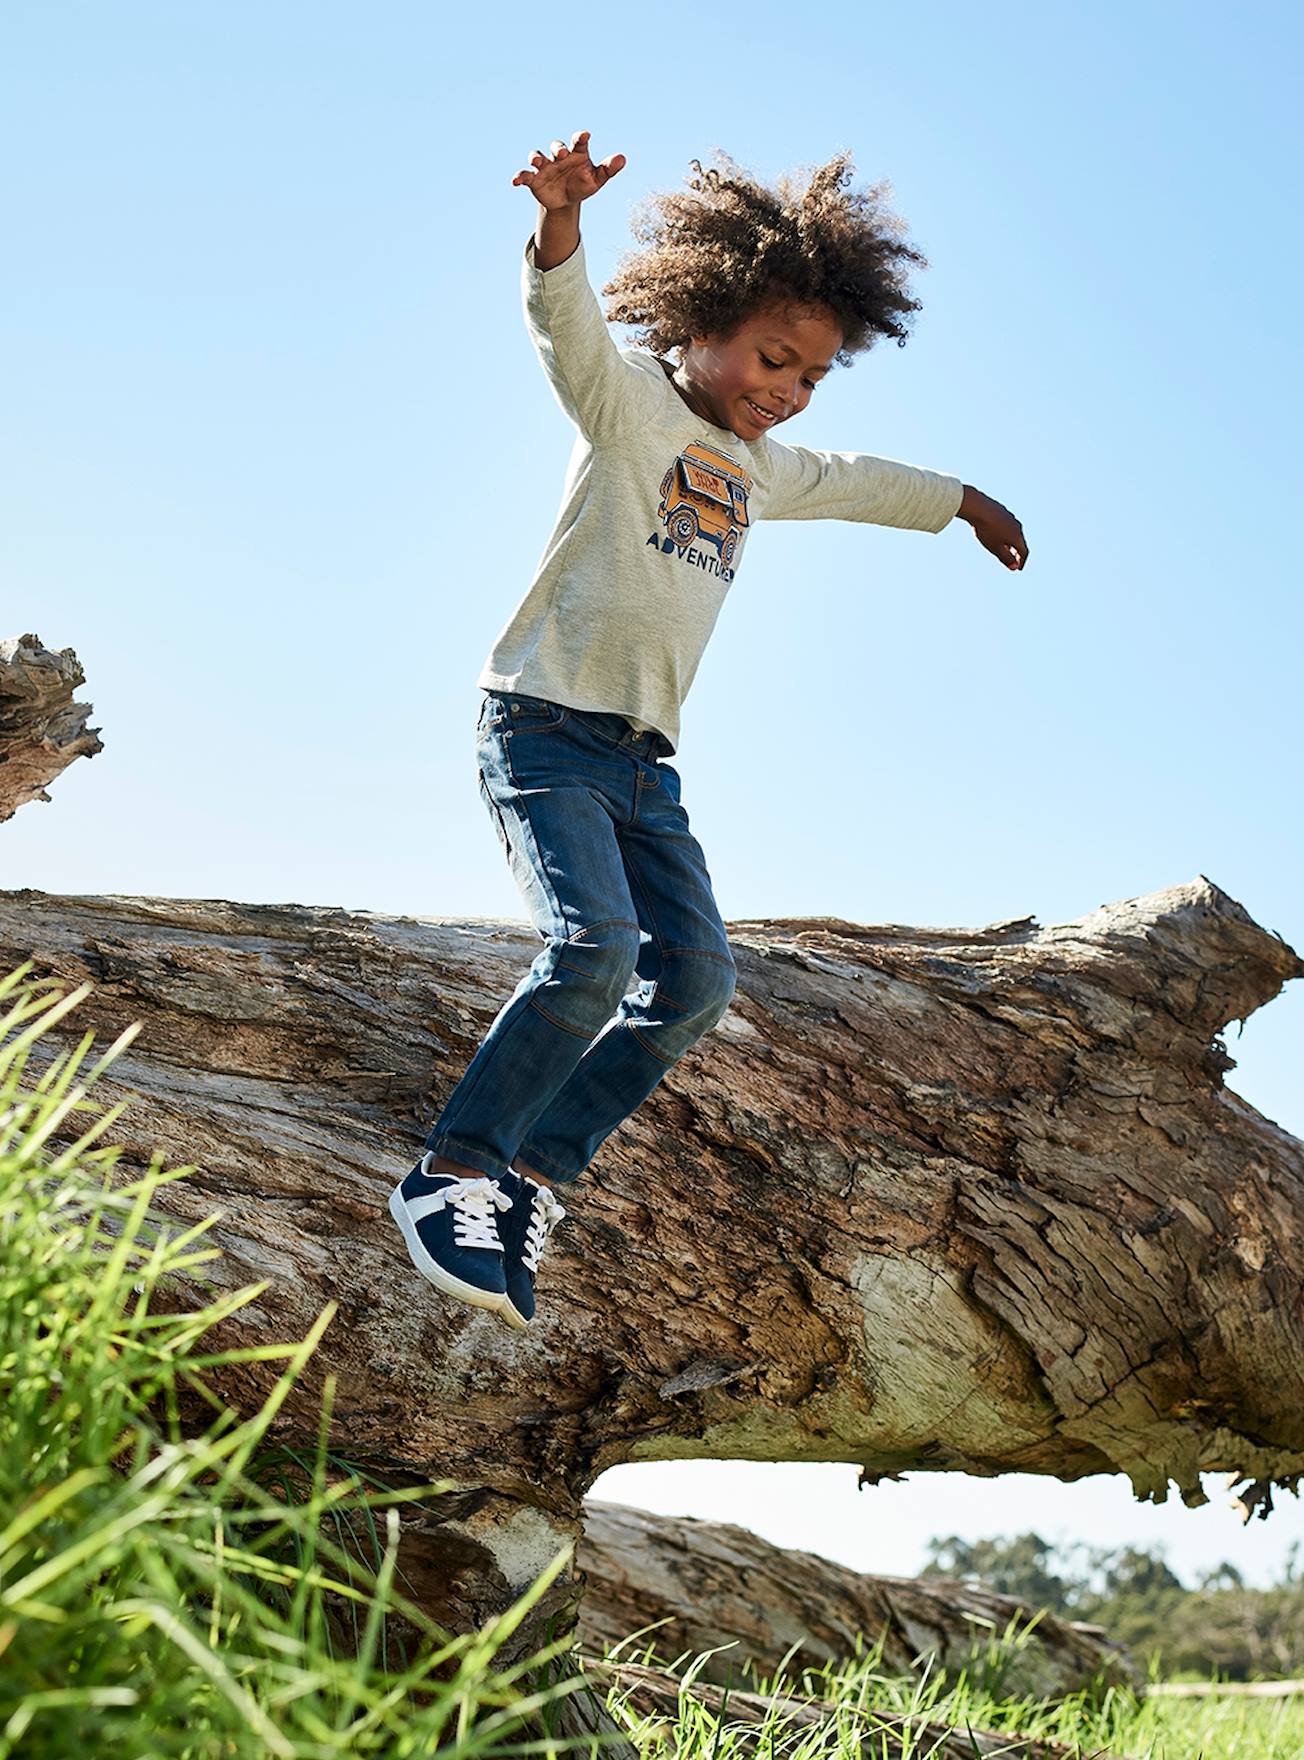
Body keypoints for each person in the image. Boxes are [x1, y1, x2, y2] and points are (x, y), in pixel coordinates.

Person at [389, 131, 1028, 1332]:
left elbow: (858, 478)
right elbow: (563, 321)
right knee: (594, 946)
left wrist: (963, 503)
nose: (785, 389)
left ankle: (533, 1177)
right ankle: (454, 1172)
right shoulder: (628, 406)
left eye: (808, 377)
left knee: (694, 978)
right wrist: (561, 223)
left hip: (645, 762)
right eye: (771, 358)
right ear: (698, 321)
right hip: (541, 725)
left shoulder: (762, 465)